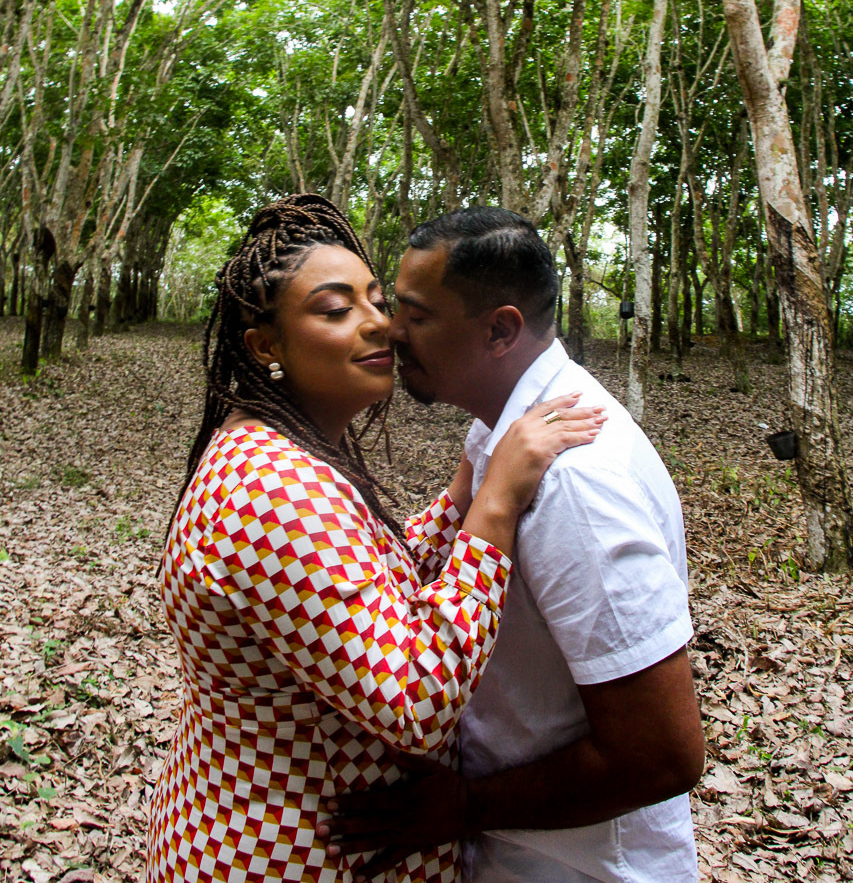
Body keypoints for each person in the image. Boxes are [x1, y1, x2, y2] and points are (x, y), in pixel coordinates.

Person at [145, 194, 605, 883]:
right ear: (266, 346)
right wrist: (496, 504)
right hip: (289, 852)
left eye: (377, 301)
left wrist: (464, 488)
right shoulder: (271, 488)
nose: (379, 326)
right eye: (335, 310)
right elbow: (416, 697)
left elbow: (360, 593)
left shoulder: (279, 453)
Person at [324, 206, 705, 883]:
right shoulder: (503, 434)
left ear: (500, 329)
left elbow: (662, 755)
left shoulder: (574, 486)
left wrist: (465, 805)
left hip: (579, 868)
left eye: (416, 314)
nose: (390, 329)